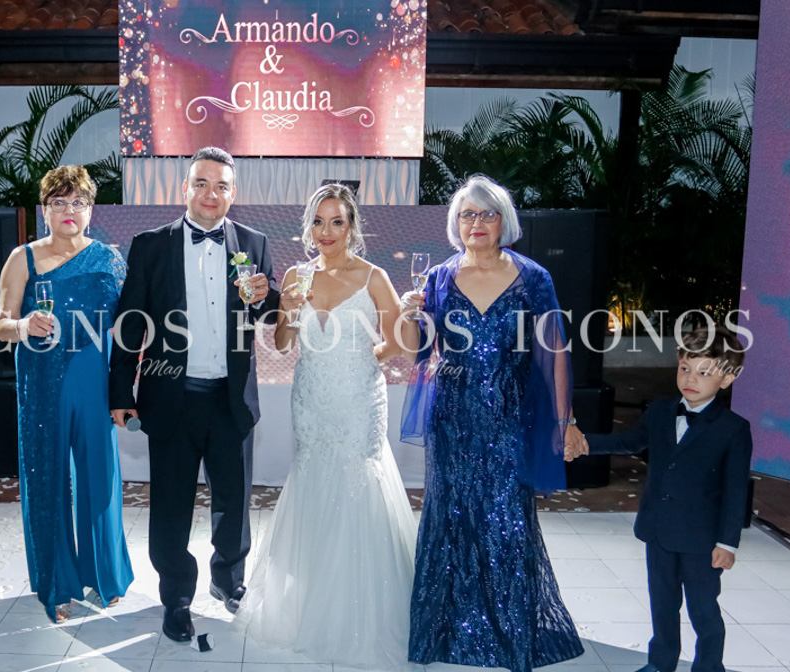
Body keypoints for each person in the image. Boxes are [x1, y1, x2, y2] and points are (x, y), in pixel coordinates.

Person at [399, 174, 586, 670]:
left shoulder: (533, 277)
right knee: (451, 516)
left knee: (505, 519)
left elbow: (554, 353)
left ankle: (508, 634)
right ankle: (447, 632)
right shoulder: (437, 278)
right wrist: (410, 315)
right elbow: (419, 350)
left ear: (504, 221)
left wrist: (565, 420)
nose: (476, 222)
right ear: (455, 223)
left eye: (487, 213)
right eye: (467, 214)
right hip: (452, 417)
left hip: (509, 416)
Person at [236, 183, 418, 668]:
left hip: (358, 399)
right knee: (315, 481)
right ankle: (311, 604)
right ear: (308, 227)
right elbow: (282, 344)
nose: (327, 231)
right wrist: (290, 313)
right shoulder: (296, 275)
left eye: (337, 221)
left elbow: (403, 343)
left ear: (352, 226)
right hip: (311, 400)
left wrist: (369, 354)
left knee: (358, 485)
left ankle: (364, 610)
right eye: (319, 221)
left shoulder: (374, 276)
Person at [109, 147, 280, 642]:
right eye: (201, 183)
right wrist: (121, 390)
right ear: (185, 188)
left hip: (231, 399)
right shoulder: (150, 245)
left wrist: (266, 296)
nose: (211, 193)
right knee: (170, 504)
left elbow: (270, 315)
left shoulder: (255, 242)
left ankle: (229, 580)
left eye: (221, 185)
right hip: (171, 397)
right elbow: (129, 324)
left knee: (234, 500)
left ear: (233, 193)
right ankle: (177, 597)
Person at [0, 165, 134, 623]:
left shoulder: (109, 260)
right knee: (47, 479)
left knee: (100, 478)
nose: (69, 210)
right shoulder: (23, 259)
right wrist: (23, 325)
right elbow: (1, 324)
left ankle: (105, 576)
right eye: (59, 202)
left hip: (94, 383)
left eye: (78, 202)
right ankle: (56, 585)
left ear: (91, 210)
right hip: (41, 384)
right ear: (44, 210)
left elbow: (132, 323)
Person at [572, 326, 752, 672]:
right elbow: (628, 442)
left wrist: (727, 543)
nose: (691, 379)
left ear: (727, 379)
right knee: (663, 603)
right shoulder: (660, 410)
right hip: (658, 531)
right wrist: (583, 443)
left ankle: (709, 666)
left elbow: (735, 491)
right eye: (685, 368)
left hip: (701, 539)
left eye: (704, 372)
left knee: (703, 609)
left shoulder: (733, 428)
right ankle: (660, 662)